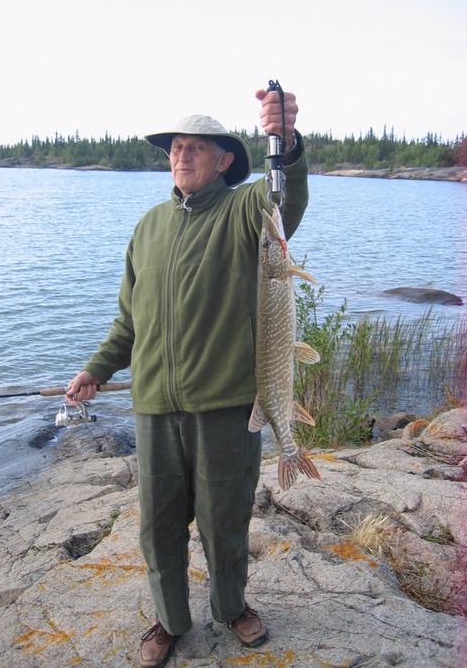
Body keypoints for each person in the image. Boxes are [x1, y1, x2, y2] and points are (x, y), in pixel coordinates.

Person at [66, 87, 309, 668]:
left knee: (226, 518)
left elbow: (286, 200)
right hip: (153, 407)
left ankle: (231, 608)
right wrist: (97, 368)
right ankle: (170, 620)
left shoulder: (246, 210)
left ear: (224, 159)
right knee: (158, 527)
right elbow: (129, 319)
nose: (181, 157)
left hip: (225, 406)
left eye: (195, 148)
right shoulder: (148, 227)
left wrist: (289, 142)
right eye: (175, 148)